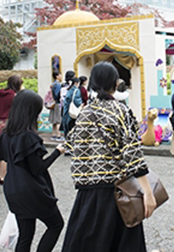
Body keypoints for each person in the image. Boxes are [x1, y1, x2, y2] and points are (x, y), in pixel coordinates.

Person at [61, 62, 155, 252]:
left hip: (87, 195)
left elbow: (74, 147)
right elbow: (132, 153)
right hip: (117, 192)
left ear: (93, 84)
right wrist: (147, 191)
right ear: (115, 83)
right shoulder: (121, 111)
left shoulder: (85, 112)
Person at [0, 90, 66, 252]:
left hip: (13, 189)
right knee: (56, 225)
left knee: (25, 235)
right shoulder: (28, 137)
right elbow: (38, 168)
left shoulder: (6, 135)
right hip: (32, 191)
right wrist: (57, 152)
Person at [0, 75, 24, 185]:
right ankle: (9, 176)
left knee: (1, 150)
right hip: (8, 124)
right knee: (10, 150)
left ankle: (2, 176)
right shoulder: (14, 96)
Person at [48, 70, 64, 142]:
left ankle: (53, 135)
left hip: (53, 104)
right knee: (58, 120)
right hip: (57, 103)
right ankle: (58, 136)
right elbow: (58, 94)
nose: (61, 76)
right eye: (60, 75)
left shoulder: (53, 84)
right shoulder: (57, 85)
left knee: (54, 121)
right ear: (57, 76)